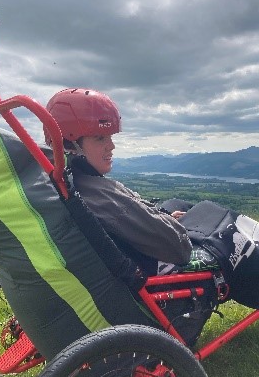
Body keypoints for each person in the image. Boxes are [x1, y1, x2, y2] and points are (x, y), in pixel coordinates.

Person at [44, 88, 193, 275]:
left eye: (110, 137)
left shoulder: (55, 182)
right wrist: (172, 224)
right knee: (202, 213)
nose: (112, 146)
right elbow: (180, 248)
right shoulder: (99, 195)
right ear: (68, 145)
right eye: (100, 138)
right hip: (149, 275)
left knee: (176, 205)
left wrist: (161, 216)